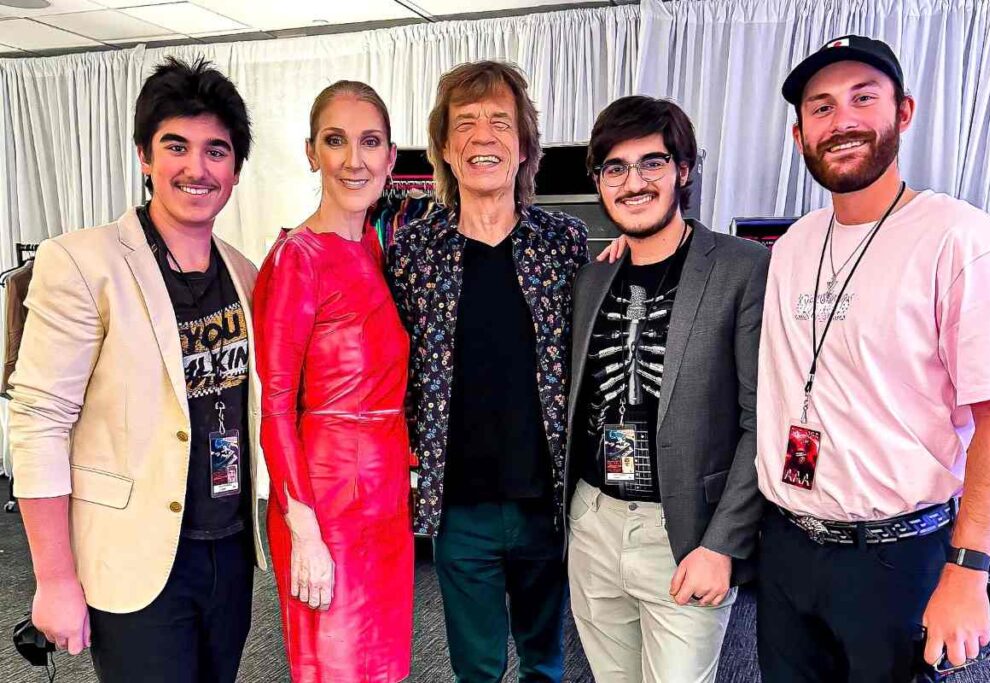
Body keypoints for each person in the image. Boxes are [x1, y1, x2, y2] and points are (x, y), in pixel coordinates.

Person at [756, 35, 990, 682]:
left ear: (902, 112)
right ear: (799, 136)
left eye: (862, 98)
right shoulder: (793, 243)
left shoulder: (960, 239)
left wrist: (969, 568)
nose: (841, 120)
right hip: (787, 547)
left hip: (898, 558)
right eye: (820, 108)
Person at [10, 57, 265, 682]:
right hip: (134, 553)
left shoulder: (245, 271)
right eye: (175, 146)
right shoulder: (80, 262)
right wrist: (54, 579)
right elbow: (39, 422)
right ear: (145, 157)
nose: (196, 168)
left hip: (228, 548)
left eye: (216, 151)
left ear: (234, 169)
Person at [388, 60, 589, 682]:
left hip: (547, 500)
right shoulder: (414, 253)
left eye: (500, 122)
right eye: (465, 123)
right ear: (445, 148)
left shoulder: (566, 243)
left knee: (544, 663)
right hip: (459, 506)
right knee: (474, 670)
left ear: (524, 144)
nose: (483, 137)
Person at [566, 95, 768, 683]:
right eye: (615, 168)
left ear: (683, 170)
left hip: (683, 532)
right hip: (594, 518)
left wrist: (723, 544)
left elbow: (762, 418)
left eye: (651, 163)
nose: (633, 182)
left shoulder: (741, 268)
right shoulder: (591, 277)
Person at [252, 80, 414, 683]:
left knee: (384, 663)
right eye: (336, 141)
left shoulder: (373, 249)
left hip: (386, 497)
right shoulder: (299, 256)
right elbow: (272, 403)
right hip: (324, 501)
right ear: (311, 152)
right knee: (337, 668)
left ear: (391, 157)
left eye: (369, 142)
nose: (355, 159)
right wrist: (304, 530)